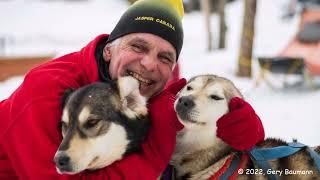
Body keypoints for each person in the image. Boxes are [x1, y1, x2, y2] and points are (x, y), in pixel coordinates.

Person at [0, 0, 264, 179]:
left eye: (165, 57)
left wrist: (247, 127)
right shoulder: (46, 93)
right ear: (108, 50)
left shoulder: (153, 87)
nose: (149, 63)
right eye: (138, 46)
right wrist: (158, 140)